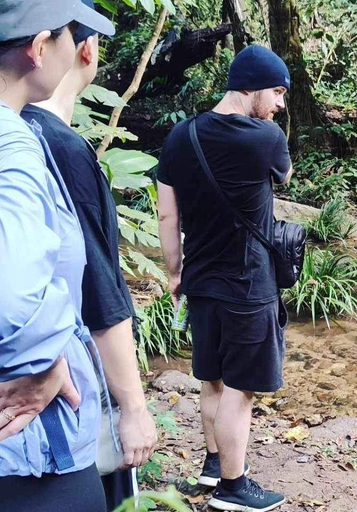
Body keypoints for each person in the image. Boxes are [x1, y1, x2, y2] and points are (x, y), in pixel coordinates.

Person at [20, 1, 158, 508]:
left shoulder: (17, 132)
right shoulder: (61, 148)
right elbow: (100, 291)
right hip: (67, 396)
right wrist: (133, 406)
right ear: (87, 50)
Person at [157, 44, 292, 512]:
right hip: (248, 285)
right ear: (253, 86)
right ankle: (234, 489)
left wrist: (175, 272)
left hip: (199, 280)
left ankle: (214, 464)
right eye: (277, 92)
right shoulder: (266, 139)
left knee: (211, 378)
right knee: (240, 388)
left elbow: (166, 214)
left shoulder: (180, 135)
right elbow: (284, 175)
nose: (279, 104)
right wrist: (268, 127)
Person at [0, 1, 116, 510]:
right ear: (39, 47)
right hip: (28, 454)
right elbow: (11, 293)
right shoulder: (14, 146)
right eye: (72, 35)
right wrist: (44, 364)